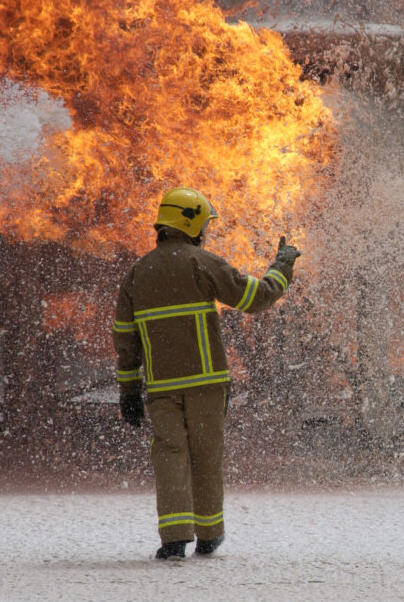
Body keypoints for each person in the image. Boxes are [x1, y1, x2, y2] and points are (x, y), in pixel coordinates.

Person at [112, 186, 300, 558]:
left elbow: (125, 340)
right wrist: (282, 267)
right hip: (207, 385)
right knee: (206, 456)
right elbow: (256, 297)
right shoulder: (201, 262)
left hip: (162, 388)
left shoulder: (136, 274)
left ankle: (174, 539)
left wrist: (129, 391)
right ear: (193, 223)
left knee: (170, 456)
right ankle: (210, 533)